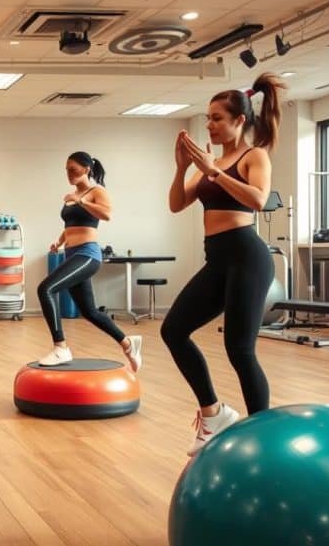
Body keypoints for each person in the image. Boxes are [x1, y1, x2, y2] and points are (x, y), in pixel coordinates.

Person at [162, 72, 287, 455]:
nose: (210, 124)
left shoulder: (255, 156)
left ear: (240, 120)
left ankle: (263, 436)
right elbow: (177, 204)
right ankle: (213, 413)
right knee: (174, 330)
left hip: (247, 256)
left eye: (217, 117)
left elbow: (258, 199)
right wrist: (184, 166)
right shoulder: (209, 162)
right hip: (217, 258)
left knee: (240, 349)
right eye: (208, 117)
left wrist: (214, 171)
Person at [37, 152, 144, 369]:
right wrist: (59, 241)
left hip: (88, 254)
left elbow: (106, 214)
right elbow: (72, 226)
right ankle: (128, 343)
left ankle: (61, 347)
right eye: (66, 170)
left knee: (46, 288)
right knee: (90, 311)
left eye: (73, 170)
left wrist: (82, 200)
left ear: (86, 169)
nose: (69, 174)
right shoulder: (74, 194)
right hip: (71, 253)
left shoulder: (96, 191)